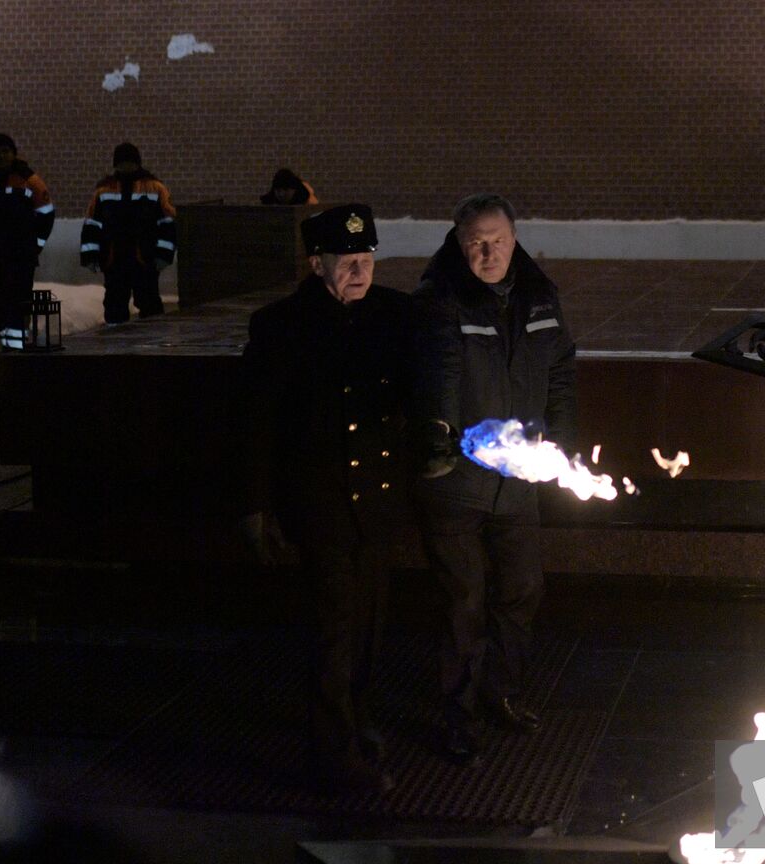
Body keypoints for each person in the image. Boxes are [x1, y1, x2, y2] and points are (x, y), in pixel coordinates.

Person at [237, 203, 419, 794]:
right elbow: (256, 424)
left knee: (369, 625)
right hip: (321, 504)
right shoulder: (281, 327)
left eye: (366, 260)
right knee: (333, 632)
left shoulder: (393, 316)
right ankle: (333, 754)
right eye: (347, 262)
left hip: (378, 501)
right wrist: (256, 505)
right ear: (318, 264)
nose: (359, 272)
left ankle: (356, 719)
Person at [412, 193, 577, 763]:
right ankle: (455, 715)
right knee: (464, 601)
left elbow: (559, 373)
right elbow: (438, 376)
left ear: (515, 236)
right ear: (459, 244)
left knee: (521, 589)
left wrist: (560, 446)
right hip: (457, 483)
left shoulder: (539, 297)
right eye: (475, 243)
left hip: (518, 483)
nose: (488, 252)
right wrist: (439, 443)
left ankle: (500, 695)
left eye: (497, 240)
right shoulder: (439, 300)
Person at [0, 133, 54, 349]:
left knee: (19, 300)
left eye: (5, 151)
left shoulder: (29, 180)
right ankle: (10, 345)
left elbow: (46, 213)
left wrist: (36, 244)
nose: (1, 156)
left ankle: (15, 346)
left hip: (20, 255)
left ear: (13, 154)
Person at [79, 143, 177, 324]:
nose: (126, 166)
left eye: (129, 162)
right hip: (114, 259)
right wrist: (90, 255)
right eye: (122, 162)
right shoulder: (103, 191)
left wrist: (163, 255)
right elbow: (92, 224)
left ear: (137, 163)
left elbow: (168, 224)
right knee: (115, 305)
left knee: (149, 303)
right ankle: (114, 345)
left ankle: (151, 343)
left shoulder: (155, 188)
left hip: (145, 259)